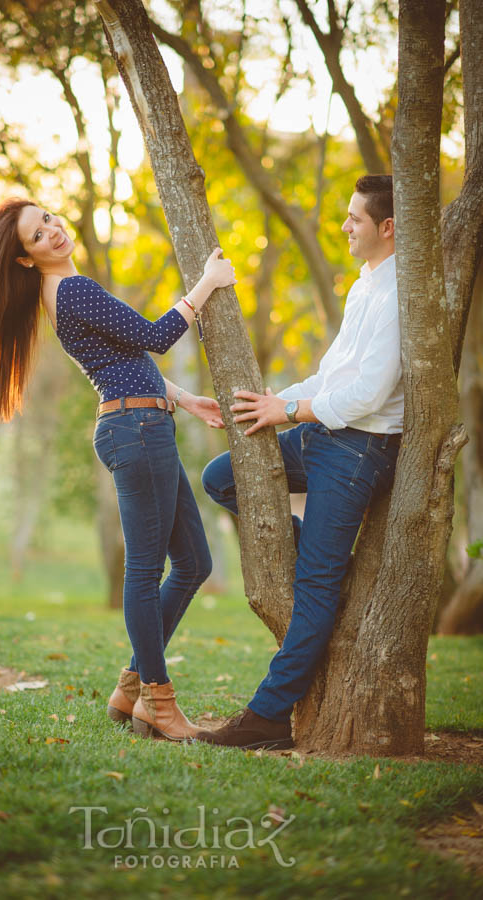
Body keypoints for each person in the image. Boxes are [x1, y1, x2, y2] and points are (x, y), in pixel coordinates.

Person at [0, 198, 236, 742]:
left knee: (193, 563)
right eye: (36, 237)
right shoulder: (72, 291)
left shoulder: (63, 291)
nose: (53, 231)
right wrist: (207, 283)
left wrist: (183, 399)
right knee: (145, 571)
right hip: (136, 431)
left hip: (141, 423)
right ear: (25, 260)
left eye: (47, 219)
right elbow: (156, 337)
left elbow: (124, 363)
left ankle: (131, 687)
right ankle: (159, 702)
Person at [196, 175, 402, 750]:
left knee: (312, 590)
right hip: (322, 429)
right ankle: (326, 570)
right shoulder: (365, 284)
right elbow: (333, 375)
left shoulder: (399, 296)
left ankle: (266, 717)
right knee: (220, 478)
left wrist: (290, 410)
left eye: (355, 219)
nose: (344, 227)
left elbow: (366, 396)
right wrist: (274, 403)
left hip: (359, 448)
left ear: (387, 228)